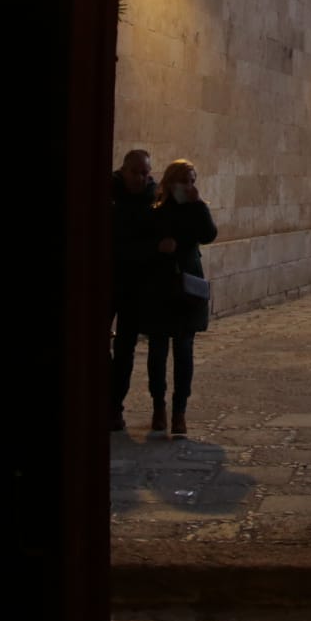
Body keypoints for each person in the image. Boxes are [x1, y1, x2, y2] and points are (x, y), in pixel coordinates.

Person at [143, 158, 218, 438]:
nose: (188, 186)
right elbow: (144, 243)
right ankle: (158, 407)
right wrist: (158, 247)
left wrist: (199, 205)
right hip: (161, 287)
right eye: (184, 181)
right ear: (170, 182)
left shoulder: (196, 211)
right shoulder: (155, 212)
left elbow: (209, 235)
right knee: (158, 350)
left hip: (188, 288)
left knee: (184, 350)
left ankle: (179, 412)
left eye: (192, 181)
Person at [108, 148, 164, 431]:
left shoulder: (154, 201)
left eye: (146, 173)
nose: (142, 178)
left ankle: (114, 406)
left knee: (125, 347)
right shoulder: (109, 193)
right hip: (105, 279)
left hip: (134, 284)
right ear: (124, 170)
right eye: (136, 172)